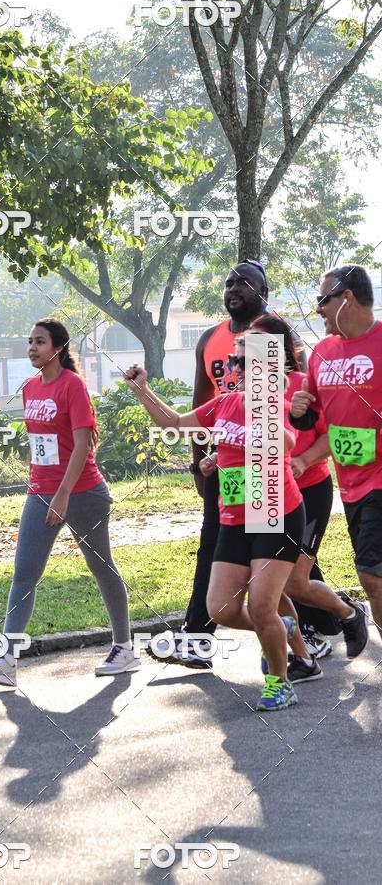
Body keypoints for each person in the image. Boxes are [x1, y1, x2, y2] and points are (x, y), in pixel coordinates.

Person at [125, 334, 306, 712]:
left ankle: (280, 682)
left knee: (260, 604)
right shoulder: (224, 403)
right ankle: (278, 627)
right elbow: (175, 424)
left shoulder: (278, 399)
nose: (234, 369)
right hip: (234, 516)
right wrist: (142, 391)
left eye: (243, 362)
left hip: (274, 509)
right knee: (219, 609)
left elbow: (288, 440)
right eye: (233, 360)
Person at [0, 318, 138, 686]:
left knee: (101, 567)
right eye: (29, 342)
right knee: (25, 573)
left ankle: (124, 648)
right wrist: (45, 490)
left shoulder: (72, 386)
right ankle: (7, 660)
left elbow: (82, 446)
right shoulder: (30, 388)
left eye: (39, 342)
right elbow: (40, 447)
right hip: (40, 492)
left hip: (83, 493)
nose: (32, 348)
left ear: (57, 347)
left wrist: (62, 494)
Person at [162, 260, 306, 669]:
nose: (234, 288)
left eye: (245, 282)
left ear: (264, 290)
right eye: (228, 282)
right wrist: (201, 461)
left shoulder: (276, 336)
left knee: (278, 579)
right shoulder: (210, 339)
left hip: (276, 485)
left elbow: (296, 418)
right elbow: (199, 407)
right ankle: (202, 636)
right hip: (229, 473)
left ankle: (303, 632)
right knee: (219, 554)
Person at [247, 315, 368, 681]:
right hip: (263, 492)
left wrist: (301, 459)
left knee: (294, 582)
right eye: (246, 344)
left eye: (258, 342)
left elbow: (334, 434)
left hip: (308, 491)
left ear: (279, 348)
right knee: (264, 584)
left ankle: (348, 614)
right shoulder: (251, 390)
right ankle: (302, 657)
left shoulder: (302, 385)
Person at [290, 265, 381, 643]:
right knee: (374, 579)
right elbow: (315, 415)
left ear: (348, 298)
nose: (319, 310)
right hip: (350, 483)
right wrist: (300, 408)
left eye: (323, 300)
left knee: (370, 574)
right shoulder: (323, 353)